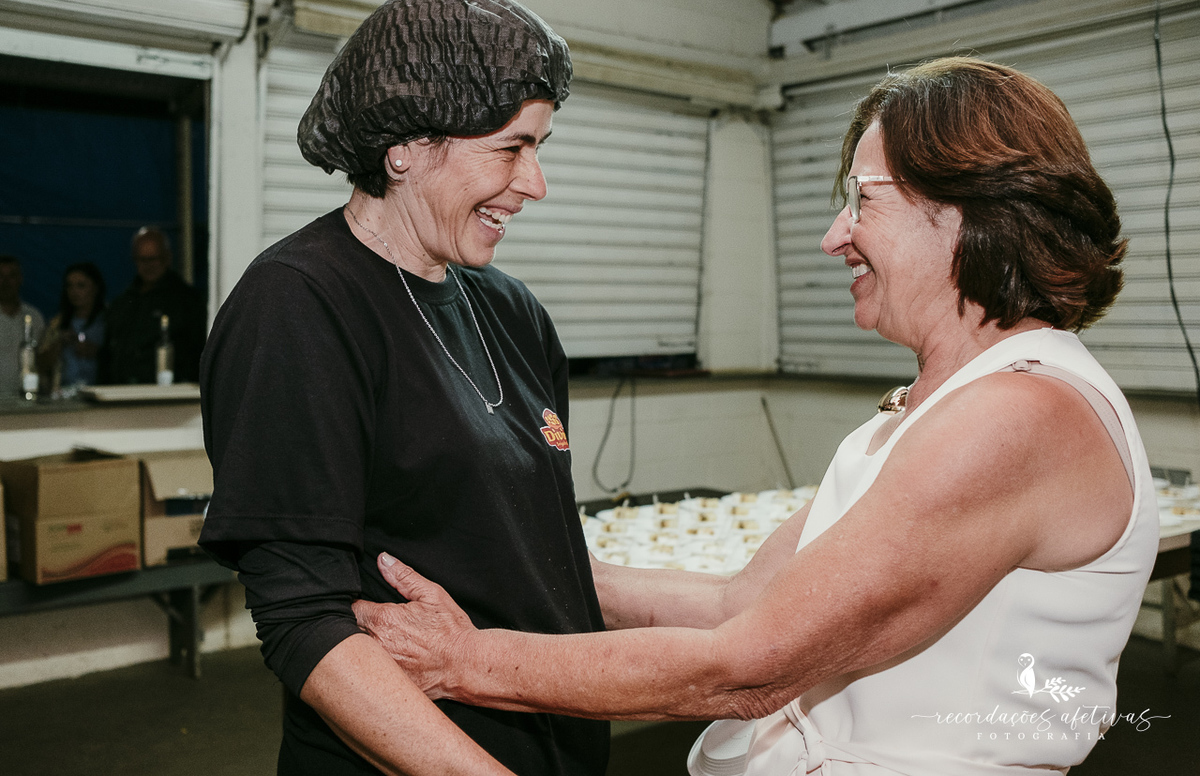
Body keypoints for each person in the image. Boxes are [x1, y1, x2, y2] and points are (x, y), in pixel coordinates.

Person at [353, 57, 1160, 776]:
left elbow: (748, 664)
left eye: (860, 200)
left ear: (964, 210)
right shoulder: (941, 404)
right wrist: (503, 566)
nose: (833, 237)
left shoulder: (1016, 415)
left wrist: (463, 661)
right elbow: (738, 604)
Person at [197, 0, 602, 776]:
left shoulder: (513, 311)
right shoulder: (300, 305)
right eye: (511, 148)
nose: (536, 184)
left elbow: (530, 550)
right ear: (406, 146)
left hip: (554, 742)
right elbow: (304, 621)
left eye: (540, 148)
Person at [100, 226, 205, 384]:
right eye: (142, 259)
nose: (148, 265)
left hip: (167, 397)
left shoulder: (187, 300)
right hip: (121, 395)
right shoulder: (122, 302)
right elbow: (108, 353)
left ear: (167, 257)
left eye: (153, 259)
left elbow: (197, 351)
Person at [37, 261, 107, 391]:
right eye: (70, 286)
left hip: (102, 393)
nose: (74, 292)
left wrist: (97, 352)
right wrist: (58, 345)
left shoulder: (109, 319)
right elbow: (39, 365)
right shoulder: (57, 323)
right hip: (65, 393)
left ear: (96, 287)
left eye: (81, 286)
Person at [0, 255, 46, 399]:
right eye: (0, 276)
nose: (5, 282)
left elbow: (42, 359)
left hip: (26, 401)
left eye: (11, 276)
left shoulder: (34, 316)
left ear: (20, 279)